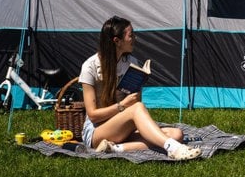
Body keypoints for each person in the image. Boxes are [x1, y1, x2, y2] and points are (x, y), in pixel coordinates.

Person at [79, 15, 201, 161]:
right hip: (96, 131)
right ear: (117, 41)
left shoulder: (131, 63)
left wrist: (136, 91)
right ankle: (173, 149)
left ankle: (114, 148)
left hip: (120, 126)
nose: (135, 38)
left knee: (177, 134)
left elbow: (136, 103)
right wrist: (123, 105)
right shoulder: (90, 66)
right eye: (131, 35)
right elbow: (92, 115)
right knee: (138, 109)